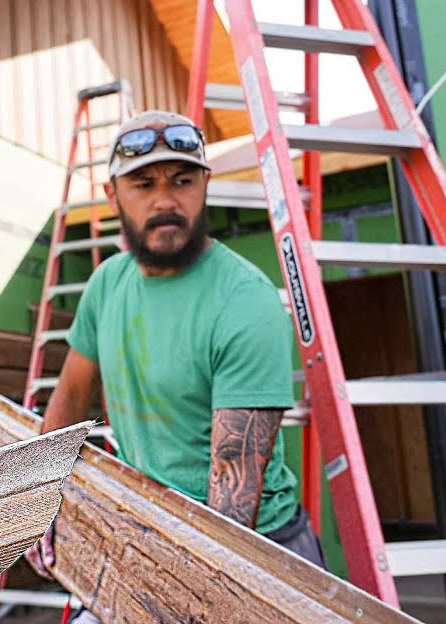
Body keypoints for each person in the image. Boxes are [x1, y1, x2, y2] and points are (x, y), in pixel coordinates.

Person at [26, 111, 325, 618]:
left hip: (255, 551)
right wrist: (37, 497)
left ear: (205, 185)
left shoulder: (243, 300)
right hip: (154, 527)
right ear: (113, 192)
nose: (166, 200)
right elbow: (71, 397)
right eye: (144, 183)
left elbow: (230, 508)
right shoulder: (106, 284)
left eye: (183, 181)